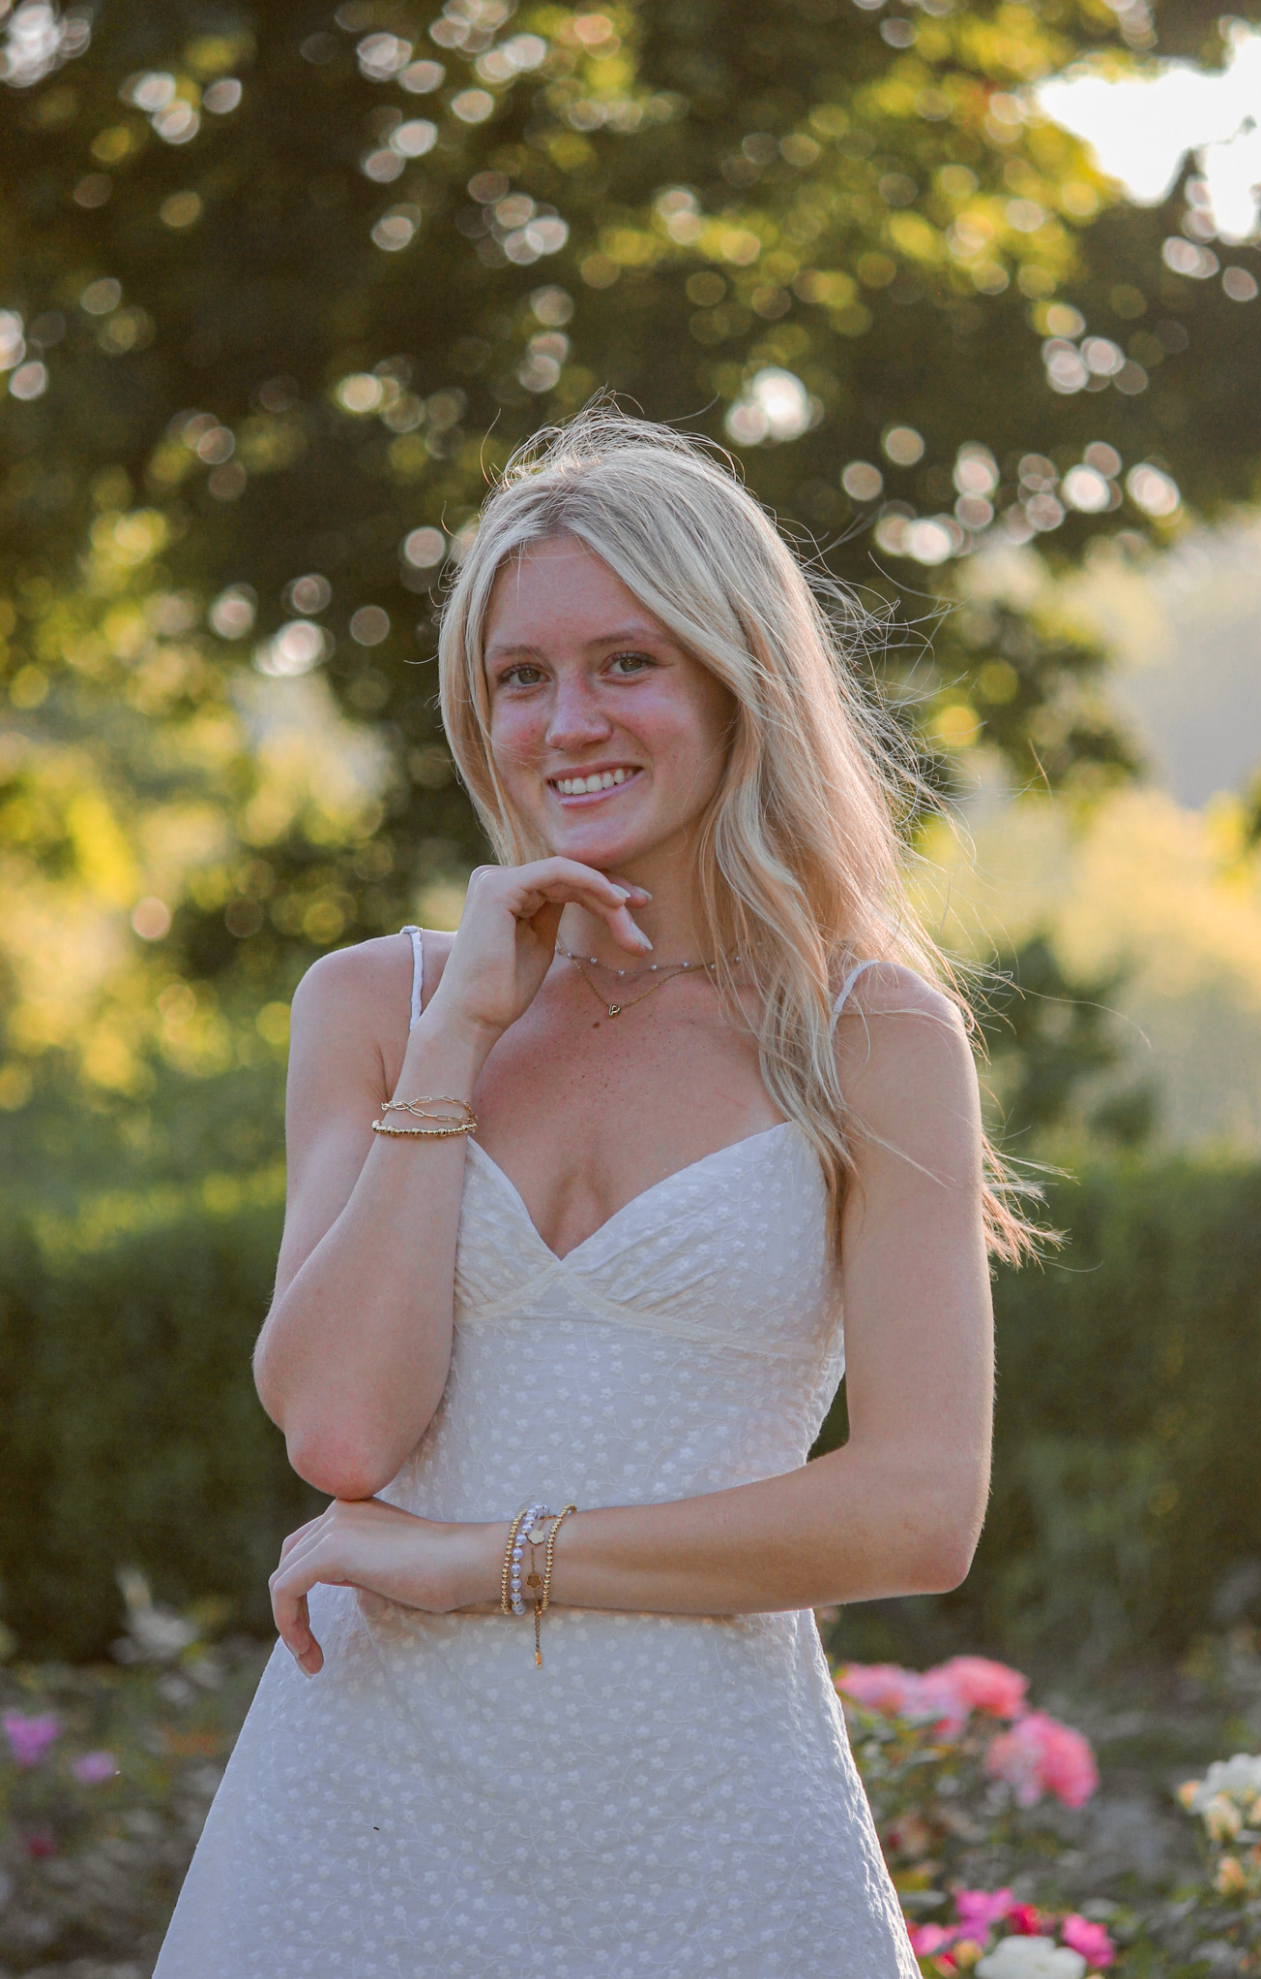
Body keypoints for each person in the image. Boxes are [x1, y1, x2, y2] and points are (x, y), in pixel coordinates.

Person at [155, 408, 1029, 1978]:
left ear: (735, 679)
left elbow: (918, 1509)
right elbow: (341, 1434)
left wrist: (484, 1557)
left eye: (626, 662)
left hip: (709, 1826)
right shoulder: (375, 1005)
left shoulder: (873, 1037)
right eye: (519, 676)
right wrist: (459, 1037)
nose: (567, 722)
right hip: (354, 1812)